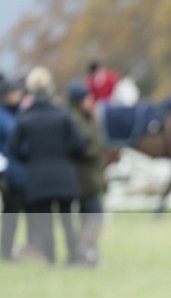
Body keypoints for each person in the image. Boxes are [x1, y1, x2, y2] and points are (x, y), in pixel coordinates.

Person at [9, 66, 85, 264]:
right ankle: (72, 257)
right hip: (63, 174)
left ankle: (51, 259)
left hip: (38, 176)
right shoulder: (62, 115)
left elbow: (13, 149)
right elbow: (79, 143)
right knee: (67, 220)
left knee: (45, 221)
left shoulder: (25, 118)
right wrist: (65, 156)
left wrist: (30, 157)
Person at [66, 78, 106, 266]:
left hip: (87, 175)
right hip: (83, 176)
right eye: (87, 98)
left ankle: (84, 253)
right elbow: (80, 147)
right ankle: (84, 252)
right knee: (95, 215)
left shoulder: (84, 117)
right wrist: (96, 151)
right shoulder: (75, 119)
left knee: (88, 216)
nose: (91, 101)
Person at [0, 75, 27, 261]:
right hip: (6, 169)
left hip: (21, 170)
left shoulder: (22, 113)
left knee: (14, 212)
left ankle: (8, 249)